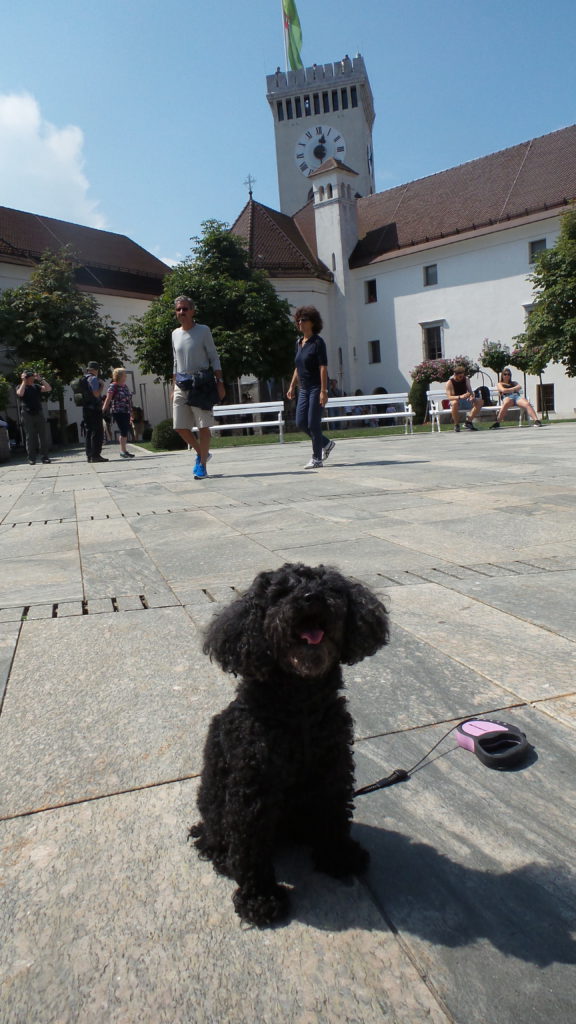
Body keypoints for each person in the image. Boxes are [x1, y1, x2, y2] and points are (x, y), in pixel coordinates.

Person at [171, 296, 225, 480]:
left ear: (192, 311)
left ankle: (202, 465)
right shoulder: (174, 334)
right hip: (181, 382)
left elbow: (214, 357)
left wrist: (220, 382)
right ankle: (201, 453)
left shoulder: (203, 331)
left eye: (185, 309)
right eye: (178, 309)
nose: (181, 313)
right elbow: (174, 361)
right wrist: (173, 385)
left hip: (201, 382)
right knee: (179, 426)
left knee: (203, 425)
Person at [287, 306, 335, 468]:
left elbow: (323, 367)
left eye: (303, 320)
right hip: (304, 388)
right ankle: (326, 444)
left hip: (316, 387)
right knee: (301, 422)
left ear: (312, 323)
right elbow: (297, 367)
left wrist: (323, 391)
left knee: (313, 423)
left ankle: (317, 458)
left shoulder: (318, 342)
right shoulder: (299, 343)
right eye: (298, 320)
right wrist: (292, 386)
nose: (300, 322)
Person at [15, 369, 52, 464]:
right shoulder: (20, 386)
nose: (31, 379)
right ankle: (31, 458)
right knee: (30, 436)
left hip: (38, 413)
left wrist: (41, 379)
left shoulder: (36, 386)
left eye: (32, 377)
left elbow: (48, 388)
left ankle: (45, 457)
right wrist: (23, 380)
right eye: (29, 377)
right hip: (27, 414)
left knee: (43, 436)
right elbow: (20, 393)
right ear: (26, 378)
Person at [102, 368, 135, 458]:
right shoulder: (113, 386)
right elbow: (108, 399)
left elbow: (129, 400)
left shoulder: (125, 386)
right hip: (118, 411)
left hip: (126, 411)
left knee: (125, 430)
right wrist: (103, 409)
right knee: (123, 430)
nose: (126, 376)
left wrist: (131, 412)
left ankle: (124, 451)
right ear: (119, 376)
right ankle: (123, 451)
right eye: (124, 374)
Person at [83, 361, 108, 463]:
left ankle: (89, 455)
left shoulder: (84, 378)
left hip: (86, 409)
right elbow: (96, 394)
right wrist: (102, 385)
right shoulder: (93, 379)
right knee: (97, 432)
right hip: (94, 409)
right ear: (96, 370)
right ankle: (96, 455)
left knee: (89, 432)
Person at [445, 365, 483, 432]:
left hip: (465, 400)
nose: (462, 378)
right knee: (455, 403)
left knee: (479, 401)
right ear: (455, 375)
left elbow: (470, 391)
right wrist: (460, 397)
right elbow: (449, 397)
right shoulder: (449, 383)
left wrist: (472, 396)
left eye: (463, 376)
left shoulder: (466, 379)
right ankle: (456, 424)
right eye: (460, 376)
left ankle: (468, 422)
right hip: (456, 401)